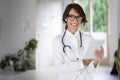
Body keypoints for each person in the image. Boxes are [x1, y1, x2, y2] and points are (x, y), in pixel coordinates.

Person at [52, 3, 104, 80]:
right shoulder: (57, 41)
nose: (75, 20)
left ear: (81, 19)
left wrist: (96, 60)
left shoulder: (89, 39)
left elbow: (89, 70)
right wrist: (83, 62)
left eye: (78, 17)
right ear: (66, 18)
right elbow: (60, 68)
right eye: (71, 17)